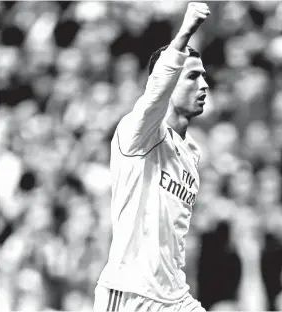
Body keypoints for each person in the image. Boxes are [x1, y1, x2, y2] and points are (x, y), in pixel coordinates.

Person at [93, 3, 210, 311]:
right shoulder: (137, 133)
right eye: (192, 77)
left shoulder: (192, 154)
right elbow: (156, 90)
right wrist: (185, 33)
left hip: (174, 296)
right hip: (130, 294)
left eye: (203, 76)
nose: (204, 85)